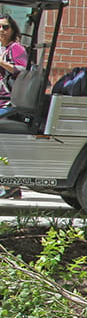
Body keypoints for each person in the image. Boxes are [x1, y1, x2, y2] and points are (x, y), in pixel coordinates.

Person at [0, 13, 27, 199]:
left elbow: (23, 69)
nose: (1, 30)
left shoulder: (15, 48)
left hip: (9, 103)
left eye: (5, 27)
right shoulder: (3, 49)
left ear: (12, 30)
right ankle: (12, 186)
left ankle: (10, 184)